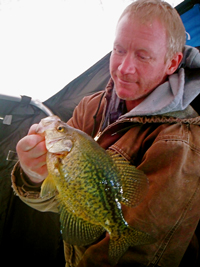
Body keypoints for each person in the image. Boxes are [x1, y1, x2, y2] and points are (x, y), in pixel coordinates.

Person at [12, 0, 200, 266]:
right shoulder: (91, 105)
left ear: (172, 63)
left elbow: (142, 255)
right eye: (119, 49)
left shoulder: (181, 143)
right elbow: (64, 199)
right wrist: (33, 174)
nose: (124, 68)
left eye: (143, 55)